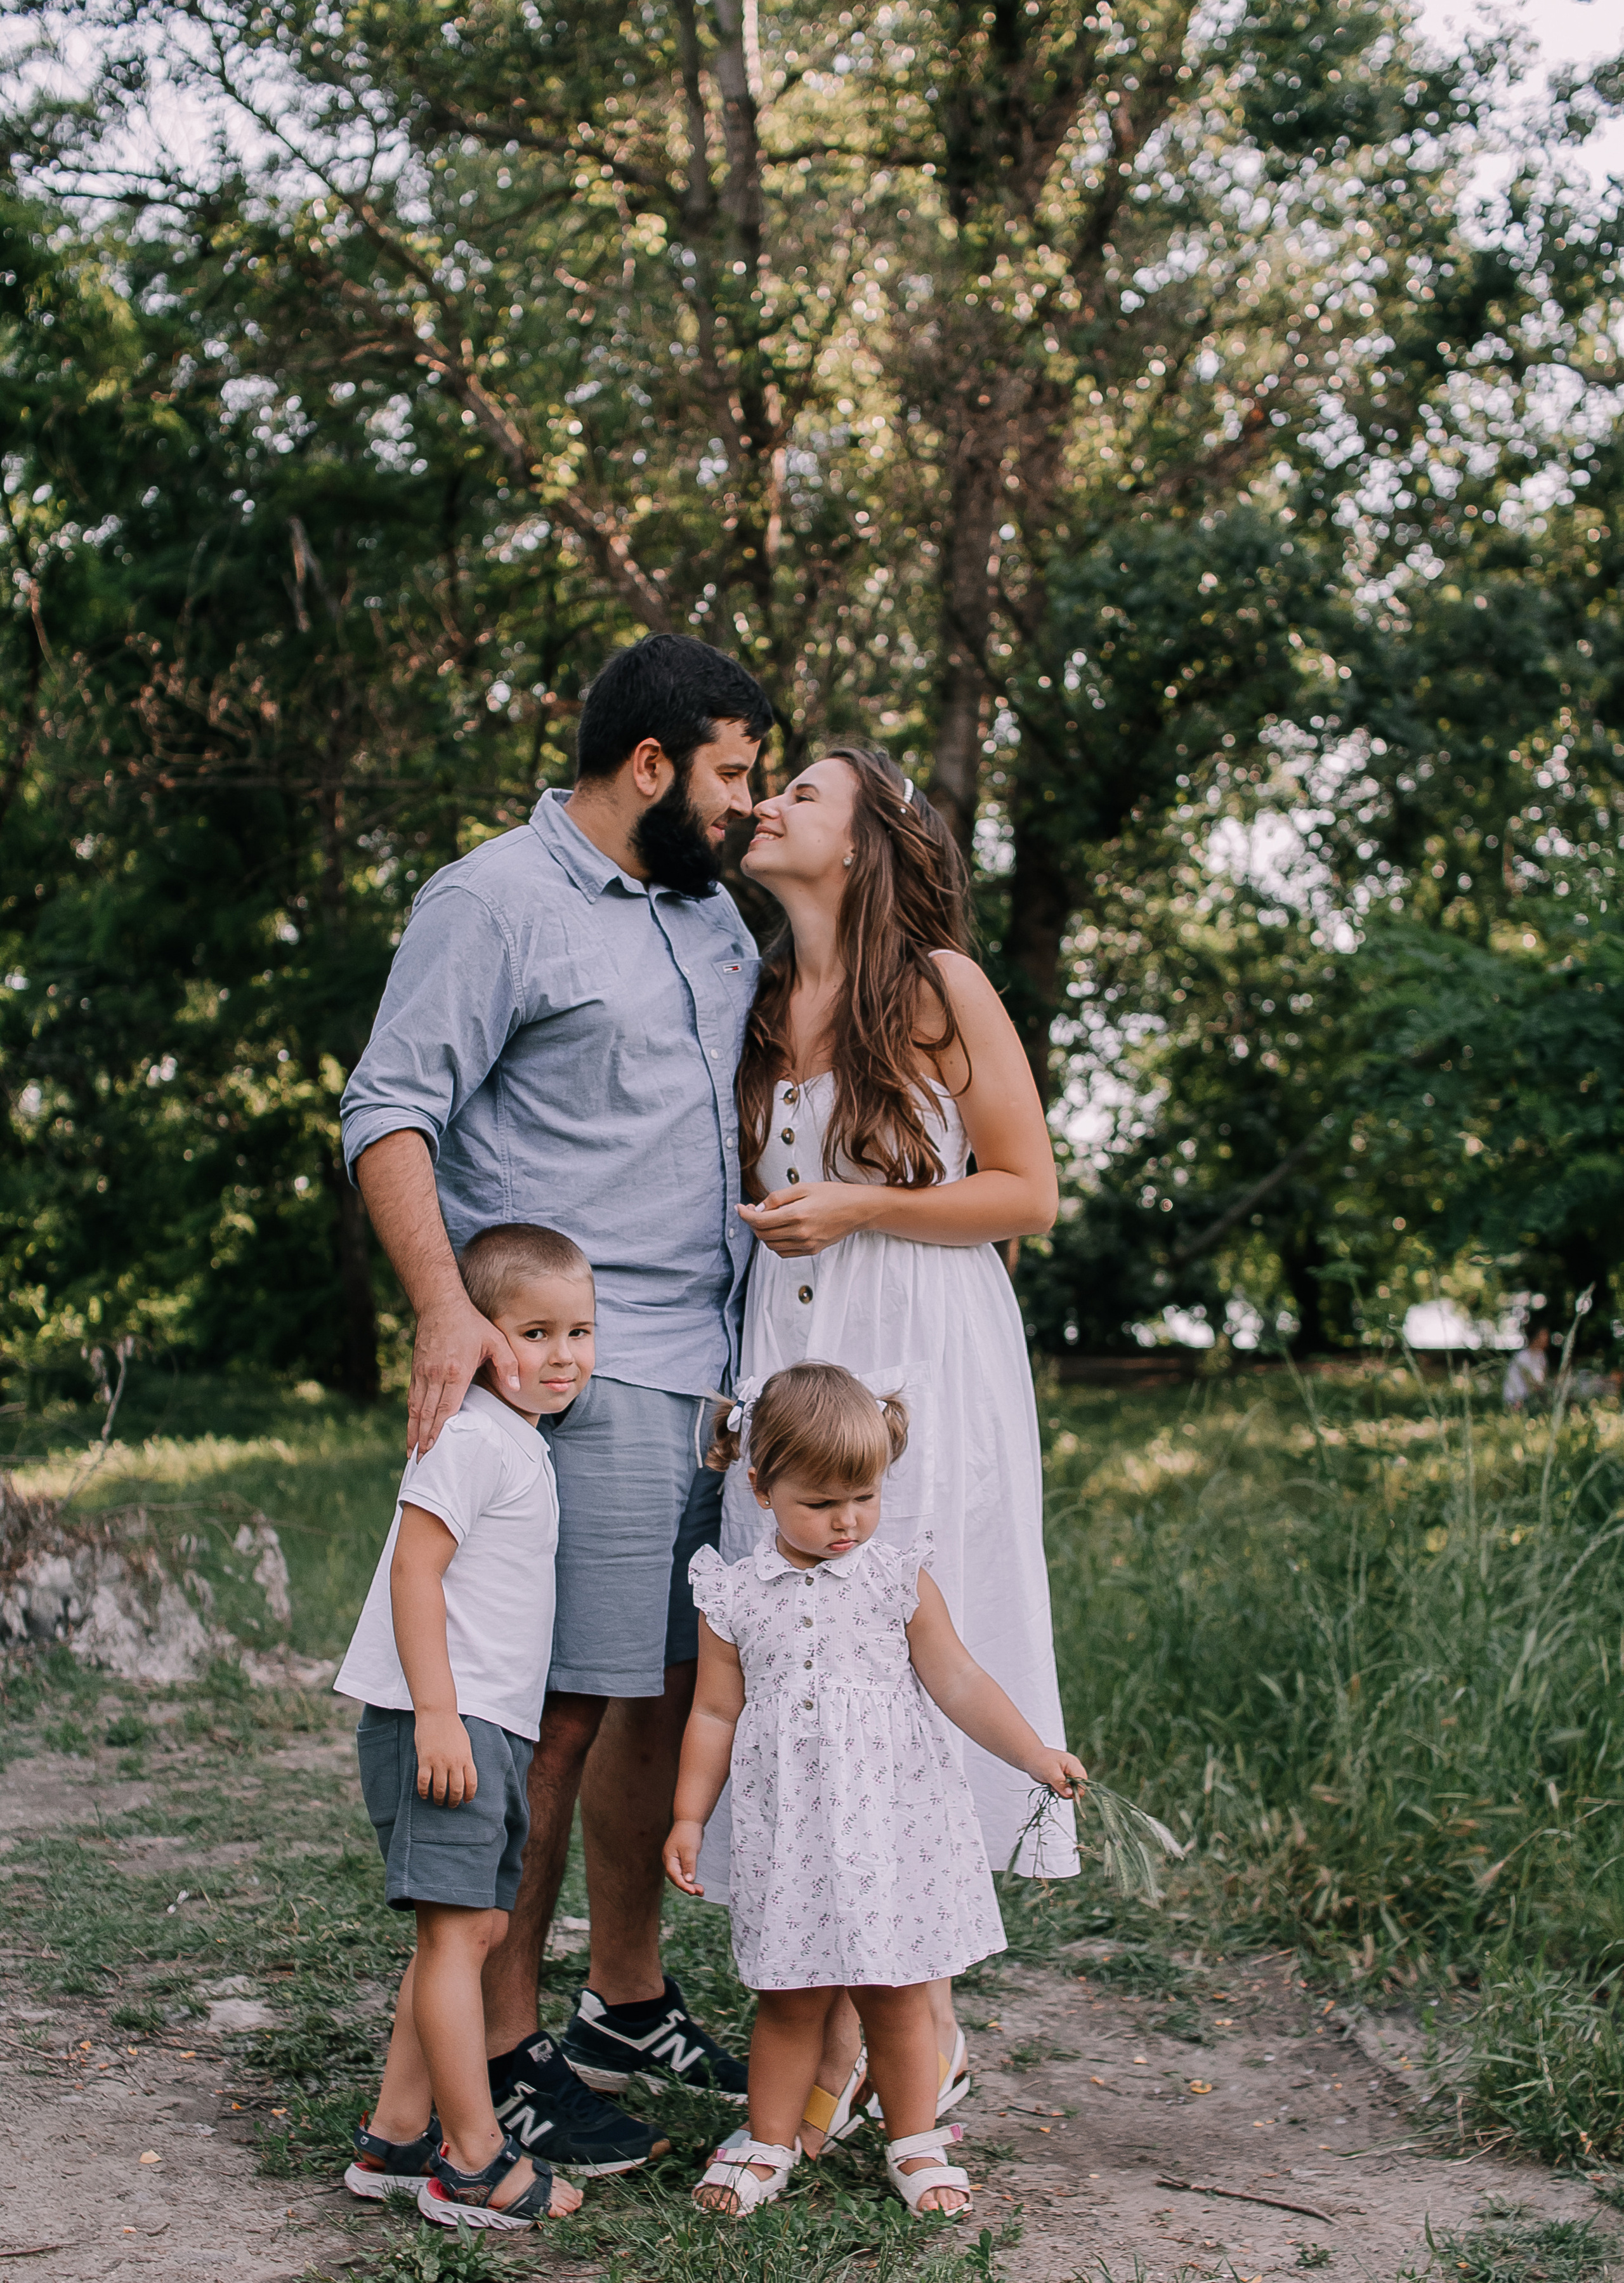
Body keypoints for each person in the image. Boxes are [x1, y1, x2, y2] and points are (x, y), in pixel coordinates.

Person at [340, 634, 774, 2172]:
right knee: (554, 1721)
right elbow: (387, 1109)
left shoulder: (709, 913)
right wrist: (447, 1311)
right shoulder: (492, 902)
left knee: (652, 1694)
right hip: (573, 1382)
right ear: (649, 766)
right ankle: (502, 2048)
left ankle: (623, 1998)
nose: (747, 806)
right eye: (730, 775)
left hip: (706, 1368)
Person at [712, 742, 1076, 2145]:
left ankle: (893, 2026)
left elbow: (1026, 1192)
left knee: (912, 1644)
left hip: (920, 1345)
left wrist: (856, 1207)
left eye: (802, 792)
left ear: (859, 846)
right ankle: (848, 2006)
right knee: (798, 1655)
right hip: (786, 1357)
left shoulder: (936, 989)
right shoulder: (749, 999)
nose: (769, 805)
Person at [664, 1362, 1087, 2218]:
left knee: (897, 1992)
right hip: (795, 1834)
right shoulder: (736, 1595)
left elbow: (960, 1680)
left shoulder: (898, 1580)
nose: (847, 1520)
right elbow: (714, 1711)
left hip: (892, 1824)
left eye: (864, 1495)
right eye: (820, 1502)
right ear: (760, 1485)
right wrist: (686, 1813)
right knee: (790, 1997)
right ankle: (770, 2142)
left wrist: (1034, 1752)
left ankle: (916, 2143)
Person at [334, 1223, 591, 2230]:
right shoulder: (473, 1436)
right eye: (535, 1331)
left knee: (477, 1927)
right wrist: (438, 1714)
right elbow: (413, 1569)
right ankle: (474, 2157)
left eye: (580, 1329)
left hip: (488, 1723)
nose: (563, 1353)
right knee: (455, 1937)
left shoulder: (520, 1438)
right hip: (444, 1717)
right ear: (481, 1337)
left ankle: (396, 2135)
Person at [1504, 1320, 1550, 1411]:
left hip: (1531, 1398)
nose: (1547, 1338)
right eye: (1544, 1335)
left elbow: (1543, 1380)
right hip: (1517, 1400)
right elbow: (1531, 1384)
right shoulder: (1522, 1357)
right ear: (1535, 1337)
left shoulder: (1542, 1356)